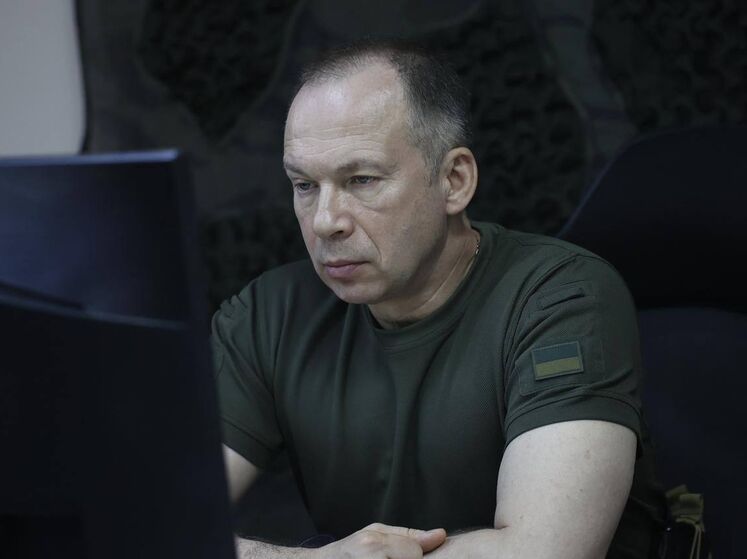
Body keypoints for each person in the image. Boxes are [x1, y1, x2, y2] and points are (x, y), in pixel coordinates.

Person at [212, 42, 665, 559]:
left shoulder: (563, 299)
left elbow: (545, 553)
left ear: (454, 181)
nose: (325, 221)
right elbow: (152, 520)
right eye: (304, 185)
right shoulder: (267, 315)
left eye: (361, 180)